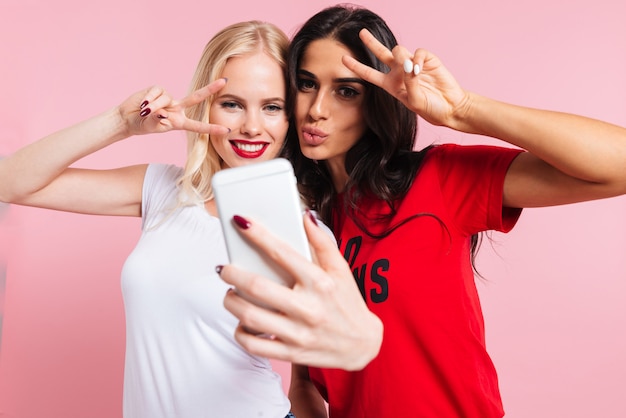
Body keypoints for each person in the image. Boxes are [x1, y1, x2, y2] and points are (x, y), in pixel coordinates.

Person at [217, 4, 626, 417]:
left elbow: (619, 165)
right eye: (306, 84)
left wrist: (463, 109)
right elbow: (305, 380)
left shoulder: (438, 181)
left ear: (377, 101)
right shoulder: (303, 220)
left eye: (346, 91)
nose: (316, 108)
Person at [0, 20, 300, 418]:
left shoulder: (307, 228)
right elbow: (9, 182)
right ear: (205, 104)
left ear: (291, 118)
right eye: (232, 103)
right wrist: (121, 123)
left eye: (272, 107)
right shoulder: (163, 190)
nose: (251, 125)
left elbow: (319, 367)